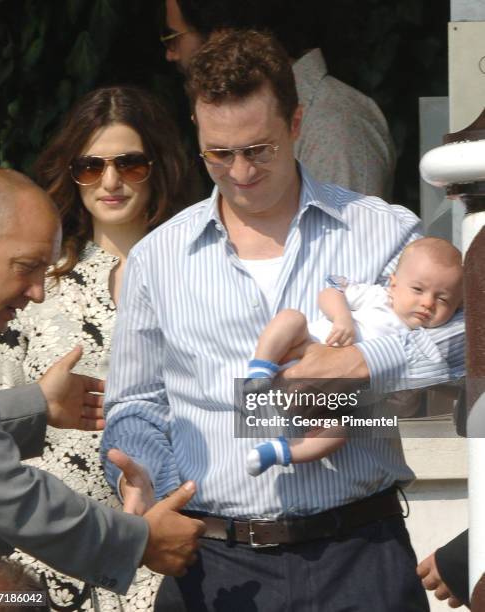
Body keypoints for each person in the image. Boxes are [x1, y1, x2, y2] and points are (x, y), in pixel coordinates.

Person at [101, 30, 464, 611]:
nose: (240, 171)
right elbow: (136, 403)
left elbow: (472, 341)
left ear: (295, 125)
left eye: (259, 149)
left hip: (358, 553)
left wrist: (367, 361)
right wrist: (140, 474)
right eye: (218, 153)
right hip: (214, 562)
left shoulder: (379, 230)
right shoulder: (157, 257)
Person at [0, 86, 191, 610]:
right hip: (39, 556)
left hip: (165, 546)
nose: (111, 181)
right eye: (90, 166)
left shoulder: (199, 277)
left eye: (130, 164)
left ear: (159, 166)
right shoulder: (32, 284)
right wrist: (38, 403)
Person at [245, 237, 463, 475]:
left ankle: (277, 452)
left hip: (332, 401)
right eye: (418, 289)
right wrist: (342, 318)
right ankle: (260, 372)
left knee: (339, 433)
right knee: (291, 318)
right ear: (393, 284)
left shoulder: (428, 342)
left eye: (443, 299)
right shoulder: (378, 298)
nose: (427, 303)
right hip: (300, 351)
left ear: (456, 307)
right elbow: (330, 291)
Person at [161, 0, 396, 199]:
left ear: (221, 35)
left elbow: (350, 240)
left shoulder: (335, 121)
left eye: (173, 37)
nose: (170, 54)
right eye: (221, 153)